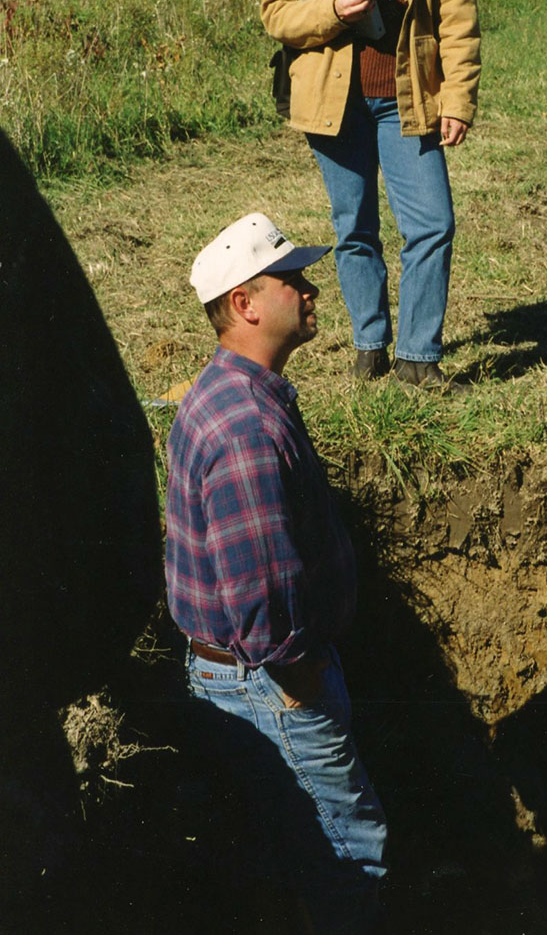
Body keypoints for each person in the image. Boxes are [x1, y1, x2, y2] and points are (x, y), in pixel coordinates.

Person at [165, 212, 387, 932]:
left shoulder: (233, 397)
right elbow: (261, 591)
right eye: (291, 279)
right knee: (349, 857)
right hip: (275, 682)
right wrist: (303, 682)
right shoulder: (245, 429)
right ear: (244, 304)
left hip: (240, 676)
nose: (310, 289)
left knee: (277, 853)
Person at [262, 0, 481, 388]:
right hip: (335, 107)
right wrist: (332, 11)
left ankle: (418, 356)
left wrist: (457, 100)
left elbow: (458, 21)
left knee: (432, 224)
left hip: (408, 103)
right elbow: (275, 12)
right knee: (353, 228)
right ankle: (370, 345)